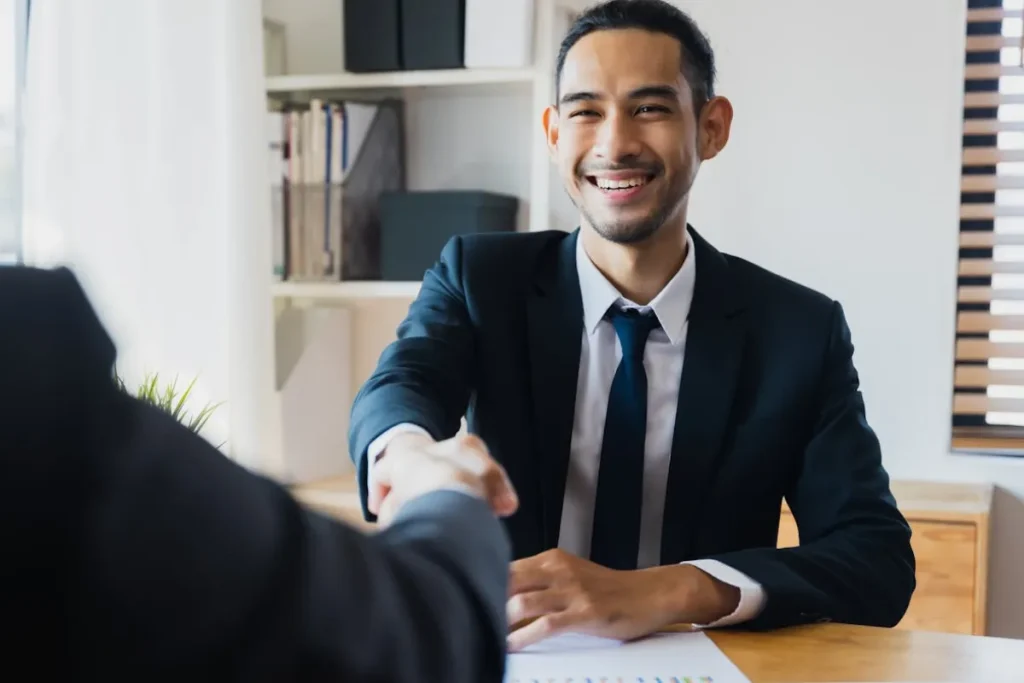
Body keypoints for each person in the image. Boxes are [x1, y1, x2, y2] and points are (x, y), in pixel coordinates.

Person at [349, 0, 915, 652]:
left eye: (649, 108)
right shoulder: (479, 278)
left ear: (712, 127)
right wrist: (411, 454)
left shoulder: (799, 331)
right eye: (585, 110)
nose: (614, 143)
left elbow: (876, 560)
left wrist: (672, 589)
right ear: (554, 130)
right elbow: (403, 382)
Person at [0, 264, 519, 681]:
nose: (606, 147)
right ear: (550, 131)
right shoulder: (35, 380)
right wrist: (431, 475)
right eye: (584, 121)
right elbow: (415, 642)